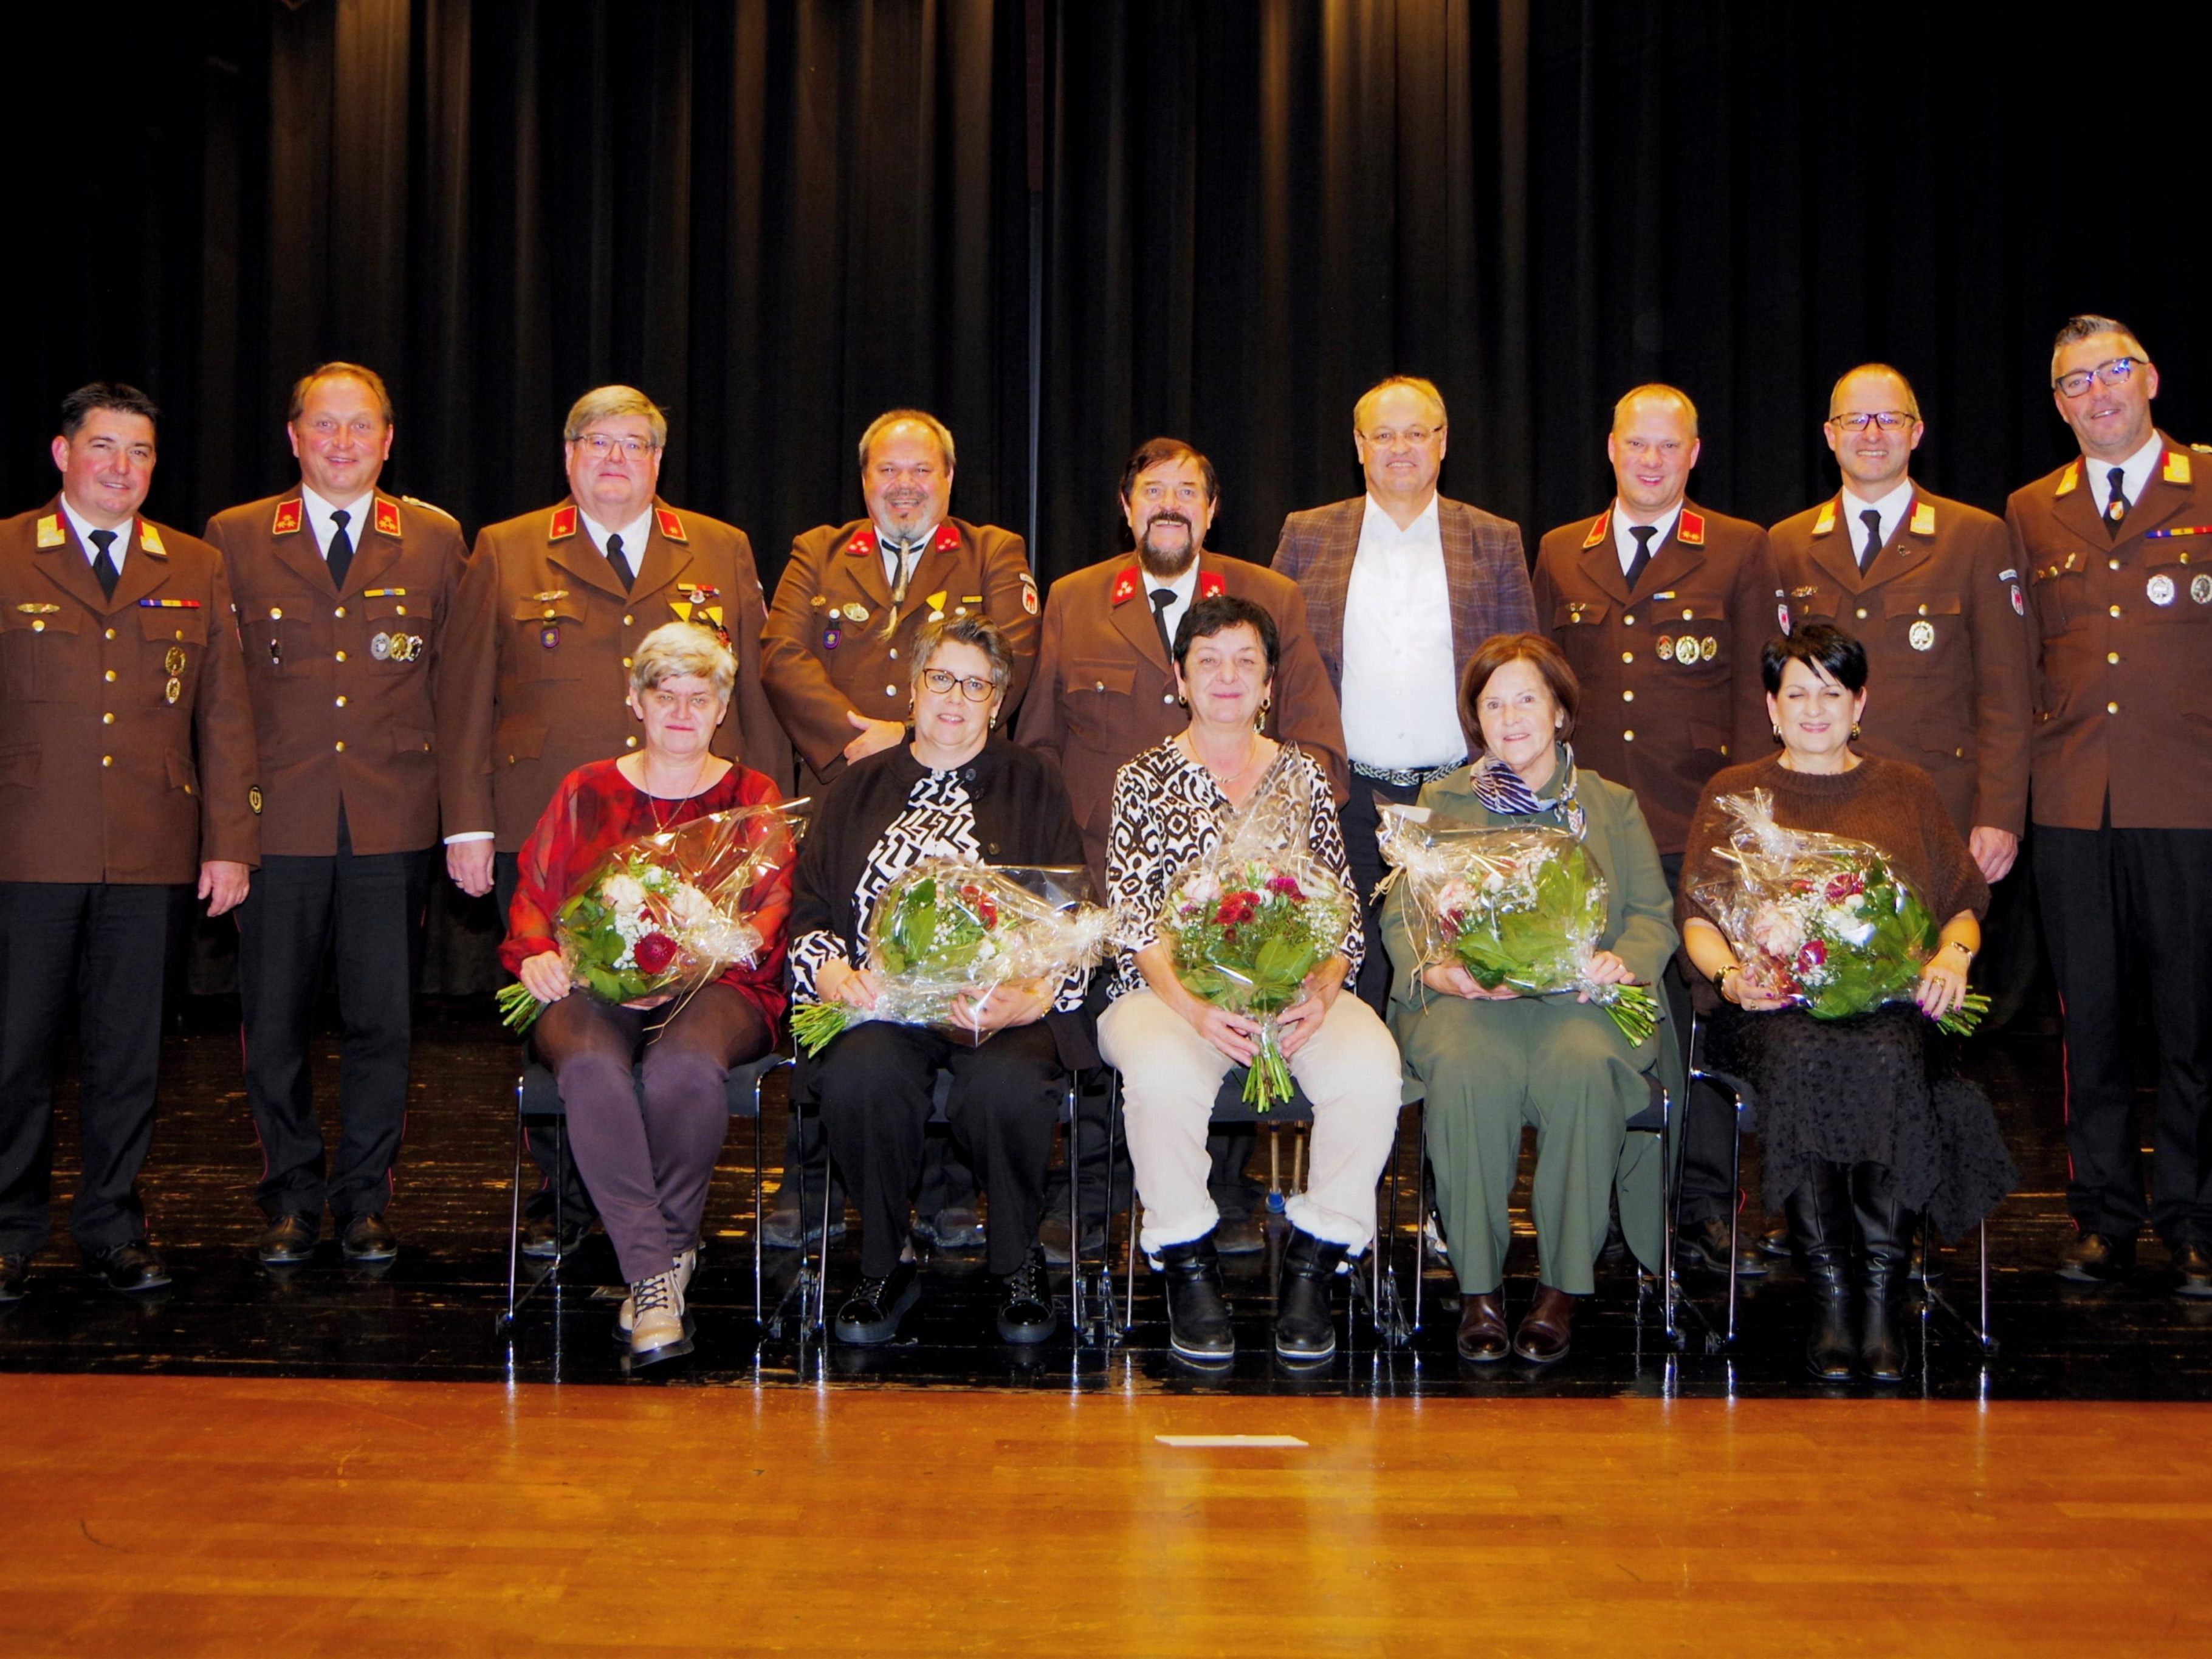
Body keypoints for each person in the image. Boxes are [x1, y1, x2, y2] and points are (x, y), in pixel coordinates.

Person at [454, 385, 788, 1259]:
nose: (615, 458)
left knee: (681, 1045)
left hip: (707, 838)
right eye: (597, 442)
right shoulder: (508, 547)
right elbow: (463, 694)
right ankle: (573, 1210)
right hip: (557, 833)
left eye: (635, 444)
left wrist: (775, 824)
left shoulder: (718, 546)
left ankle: (637, 1234)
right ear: (569, 456)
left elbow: (752, 692)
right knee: (573, 1022)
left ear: (657, 460)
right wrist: (465, 822)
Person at [1015, 437, 1346, 1262]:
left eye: (1187, 489)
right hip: (1106, 878)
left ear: (1212, 508)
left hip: (1243, 890)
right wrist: (1054, 882)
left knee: (1231, 1024)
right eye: (1152, 489)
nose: (1170, 502)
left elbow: (1317, 742)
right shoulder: (1075, 596)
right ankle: (1092, 1190)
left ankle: (1224, 1191)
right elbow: (1043, 746)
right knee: (1098, 1036)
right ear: (1127, 508)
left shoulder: (1271, 596)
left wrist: (1283, 879)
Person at [1677, 624, 2014, 1381]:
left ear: (1860, 701)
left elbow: (1963, 903)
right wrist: (1733, 976)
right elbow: (1696, 918)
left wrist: (1951, 956)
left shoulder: (1907, 789)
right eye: (1796, 693)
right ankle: (1831, 1291)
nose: (1814, 709)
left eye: (1831, 692)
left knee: (1890, 1054)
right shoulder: (1735, 793)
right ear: (1771, 707)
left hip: (1891, 1009)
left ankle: (1881, 1292)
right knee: (1802, 1054)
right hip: (1772, 1011)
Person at [204, 362, 486, 1266]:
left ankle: (365, 1197)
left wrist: (460, 819)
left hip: (389, 821)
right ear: (293, 436)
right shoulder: (237, 537)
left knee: (382, 1023)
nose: (341, 442)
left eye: (360, 426)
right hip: (277, 821)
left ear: (388, 439)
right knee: (274, 1023)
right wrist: (228, 835)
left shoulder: (437, 540)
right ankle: (290, 1194)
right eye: (323, 426)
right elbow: (223, 703)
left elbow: (459, 687)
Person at [0, 383, 258, 1302]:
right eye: (104, 446)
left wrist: (231, 842)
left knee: (128, 1053)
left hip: (152, 849)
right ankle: (9, 1227)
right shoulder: (6, 553)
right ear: (62, 454)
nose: (121, 466)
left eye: (140, 451)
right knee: (15, 1051)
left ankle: (113, 1221)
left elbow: (226, 716)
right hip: (26, 847)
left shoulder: (192, 562)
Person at [1096, 594, 1403, 1365]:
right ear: (1180, 677)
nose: (1227, 677)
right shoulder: (1141, 777)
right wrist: (1199, 1011)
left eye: (1246, 662)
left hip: (1295, 994)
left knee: (1371, 1071)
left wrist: (1324, 989)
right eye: (1208, 661)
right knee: (1162, 1076)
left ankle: (1314, 1261)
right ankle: (1187, 1265)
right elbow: (1133, 922)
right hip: (1168, 994)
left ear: (1270, 682)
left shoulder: (1303, 775)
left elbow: (1339, 913)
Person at [762, 409, 1038, 1251]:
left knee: (957, 978)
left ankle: (948, 1187)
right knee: (846, 988)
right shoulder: (820, 550)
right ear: (865, 478)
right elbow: (780, 653)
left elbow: (1013, 650)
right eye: (889, 470)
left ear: (948, 480)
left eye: (922, 471)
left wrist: (931, 732)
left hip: (964, 795)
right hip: (853, 794)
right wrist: (866, 735)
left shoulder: (993, 551)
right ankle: (809, 1176)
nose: (905, 485)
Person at [1531, 383, 1783, 1279]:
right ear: (1610, 449)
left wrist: (1752, 830)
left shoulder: (1740, 549)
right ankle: (1597, 1198)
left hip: (1696, 824)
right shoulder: (1564, 550)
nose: (1649, 460)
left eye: (1666, 447)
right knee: (1596, 1015)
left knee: (1707, 1017)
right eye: (1635, 445)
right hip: (1591, 833)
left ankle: (1704, 1207)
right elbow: (1542, 696)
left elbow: (1764, 700)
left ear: (1693, 453)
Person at [788, 616, 1090, 1347]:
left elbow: (1072, 914)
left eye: (976, 685)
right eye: (941, 678)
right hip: (884, 1007)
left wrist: (1038, 994)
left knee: (1006, 1089)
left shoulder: (1035, 781)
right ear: (914, 688)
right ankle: (884, 1263)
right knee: (861, 1079)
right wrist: (829, 970)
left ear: (999, 701)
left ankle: (1017, 1262)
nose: (956, 698)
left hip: (1001, 1008)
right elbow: (811, 913)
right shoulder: (856, 787)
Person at [1381, 634, 1678, 1365]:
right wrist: (1439, 970)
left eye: (1526, 699)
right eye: (1492, 703)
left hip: (1582, 1002)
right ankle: (1477, 1286)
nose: (1510, 717)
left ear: (1559, 711)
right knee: (1464, 1067)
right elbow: (1403, 913)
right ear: (1474, 720)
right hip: (1469, 1000)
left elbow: (1651, 915)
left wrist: (1623, 960)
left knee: (1581, 1068)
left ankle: (1560, 1287)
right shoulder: (1440, 800)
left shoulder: (1609, 804)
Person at [502, 623, 789, 1364]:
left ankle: (657, 1261)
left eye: (701, 697)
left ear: (723, 707)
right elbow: (536, 893)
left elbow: (770, 908)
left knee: (683, 1069)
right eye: (666, 696)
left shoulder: (750, 796)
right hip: (595, 984)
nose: (683, 713)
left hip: (717, 985)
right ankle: (656, 1272)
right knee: (591, 1068)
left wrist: (709, 950)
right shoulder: (585, 789)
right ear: (635, 700)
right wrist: (537, 954)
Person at [2007, 315, 2212, 1296]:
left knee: (2193, 1025)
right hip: (2076, 801)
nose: (2098, 393)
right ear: (2058, 403)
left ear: (2152, 378)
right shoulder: (2031, 509)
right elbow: (2019, 670)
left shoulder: (2208, 484)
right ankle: (2103, 1218)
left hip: (2191, 799)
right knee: (2087, 1023)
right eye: (2075, 382)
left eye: (2114, 372)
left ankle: (2194, 1217)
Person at [1273, 374, 1537, 1015]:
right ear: (1358, 446)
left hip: (1460, 799)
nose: (1399, 448)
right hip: (1346, 798)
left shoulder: (1493, 539)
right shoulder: (1307, 535)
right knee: (1348, 978)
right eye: (1383, 435)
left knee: (1457, 980)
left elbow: (1527, 675)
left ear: (1442, 443)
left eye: (1415, 433)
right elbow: (1270, 668)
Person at [1769, 365, 2031, 868]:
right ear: (1830, 435)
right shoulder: (1786, 543)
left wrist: (2000, 813)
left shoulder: (1974, 537)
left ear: (1917, 432)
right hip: (1814, 804)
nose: (1872, 434)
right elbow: (1772, 690)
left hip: (1937, 806)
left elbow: (2007, 691)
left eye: (1889, 418)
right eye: (1855, 420)